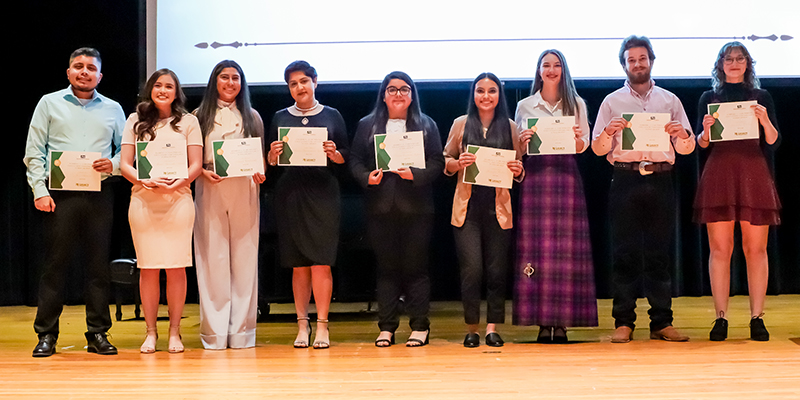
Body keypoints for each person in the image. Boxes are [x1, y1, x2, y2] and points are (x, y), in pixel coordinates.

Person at [592, 36, 695, 343]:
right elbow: (597, 149)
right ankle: (624, 321)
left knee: (659, 253)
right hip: (625, 179)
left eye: (642, 58)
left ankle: (662, 321)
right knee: (623, 252)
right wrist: (609, 133)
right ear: (624, 65)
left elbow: (687, 148)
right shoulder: (612, 102)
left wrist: (681, 134)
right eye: (631, 60)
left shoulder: (670, 101)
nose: (637, 64)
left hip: (661, 180)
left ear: (652, 60)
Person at [24, 47, 124, 357]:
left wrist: (115, 165)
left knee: (97, 267)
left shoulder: (113, 108)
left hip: (99, 194)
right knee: (55, 266)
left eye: (91, 68)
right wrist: (39, 190)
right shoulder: (49, 103)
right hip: (59, 196)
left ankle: (97, 333)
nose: (84, 72)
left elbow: (127, 150)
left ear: (99, 75)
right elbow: (34, 151)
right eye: (78, 66)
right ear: (68, 72)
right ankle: (46, 334)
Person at [349, 71, 444, 348]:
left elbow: (437, 161)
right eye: (392, 89)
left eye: (404, 89)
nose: (398, 94)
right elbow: (355, 160)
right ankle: (387, 327)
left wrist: (416, 175)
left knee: (416, 268)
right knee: (387, 269)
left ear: (412, 94)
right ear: (384, 95)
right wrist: (368, 177)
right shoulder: (367, 125)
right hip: (380, 207)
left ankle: (420, 326)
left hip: (417, 207)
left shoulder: (426, 124)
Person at [694, 42, 780, 341]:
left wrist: (764, 118)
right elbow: (702, 145)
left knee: (756, 250)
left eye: (739, 59)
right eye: (728, 59)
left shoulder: (762, 97)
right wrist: (705, 130)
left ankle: (757, 318)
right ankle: (721, 318)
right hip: (719, 174)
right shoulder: (709, 98)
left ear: (747, 64)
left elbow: (773, 141)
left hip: (753, 174)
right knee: (720, 250)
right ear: (720, 64)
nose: (733, 63)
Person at [514, 50, 598, 343]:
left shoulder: (577, 104)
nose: (551, 70)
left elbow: (583, 146)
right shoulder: (525, 106)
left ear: (564, 71)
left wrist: (576, 140)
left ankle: (561, 322)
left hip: (565, 176)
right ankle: (541, 321)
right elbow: (519, 151)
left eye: (556, 65)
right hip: (536, 178)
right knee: (537, 250)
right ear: (538, 71)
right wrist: (522, 144)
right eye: (545, 65)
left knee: (565, 251)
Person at [119, 68, 203, 353]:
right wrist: (143, 179)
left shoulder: (189, 122)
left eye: (169, 86)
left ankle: (176, 333)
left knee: (176, 267)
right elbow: (125, 164)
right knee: (148, 269)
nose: (163, 90)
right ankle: (151, 332)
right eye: (158, 85)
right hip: (143, 200)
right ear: (150, 90)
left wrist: (182, 180)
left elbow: (195, 164)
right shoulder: (135, 120)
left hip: (178, 200)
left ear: (176, 92)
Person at [266, 61, 347, 349]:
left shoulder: (332, 115)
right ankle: (302, 325)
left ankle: (323, 326)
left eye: (303, 81)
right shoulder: (278, 117)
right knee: (298, 264)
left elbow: (344, 156)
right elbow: (271, 164)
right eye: (293, 84)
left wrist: (336, 154)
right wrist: (272, 156)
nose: (299, 88)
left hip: (323, 192)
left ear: (315, 82)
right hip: (291, 194)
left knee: (321, 262)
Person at [443, 73, 523, 347]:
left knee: (497, 271)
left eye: (492, 91)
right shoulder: (461, 124)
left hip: (498, 208)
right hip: (467, 208)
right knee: (472, 270)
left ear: (499, 95)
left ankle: (492, 328)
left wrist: (517, 170)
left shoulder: (510, 126)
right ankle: (472, 329)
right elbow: (446, 160)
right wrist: (458, 163)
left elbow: (520, 166)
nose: (486, 96)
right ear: (473, 95)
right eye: (480, 91)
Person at [194, 60, 265, 349]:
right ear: (215, 81)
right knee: (212, 259)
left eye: (236, 78)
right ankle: (214, 333)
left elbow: (259, 157)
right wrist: (201, 170)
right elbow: (190, 158)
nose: (230, 83)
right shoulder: (198, 116)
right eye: (224, 77)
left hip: (244, 186)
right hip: (210, 185)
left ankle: (242, 333)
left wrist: (261, 171)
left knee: (245, 259)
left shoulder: (252, 115)